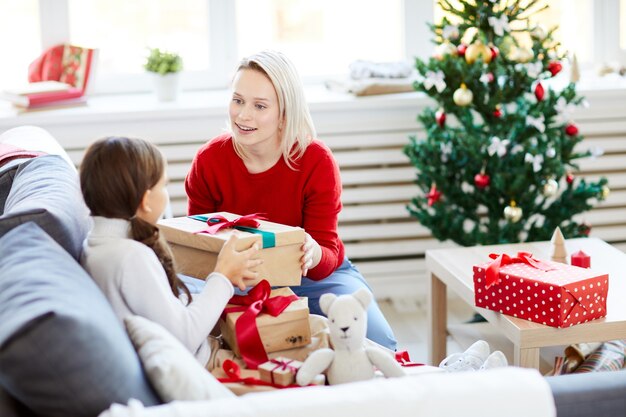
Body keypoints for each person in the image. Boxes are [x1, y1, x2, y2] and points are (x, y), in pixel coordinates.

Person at [184, 50, 398, 350]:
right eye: (238, 100)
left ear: (284, 112)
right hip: (237, 279)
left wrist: (312, 253)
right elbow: (198, 247)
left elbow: (327, 252)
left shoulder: (315, 160)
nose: (243, 115)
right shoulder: (209, 160)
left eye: (259, 106)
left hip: (312, 277)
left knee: (379, 342)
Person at [79, 136, 262, 366]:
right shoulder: (130, 258)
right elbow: (185, 337)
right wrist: (223, 276)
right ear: (146, 200)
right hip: (205, 363)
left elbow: (163, 311)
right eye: (163, 185)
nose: (165, 193)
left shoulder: (96, 244)